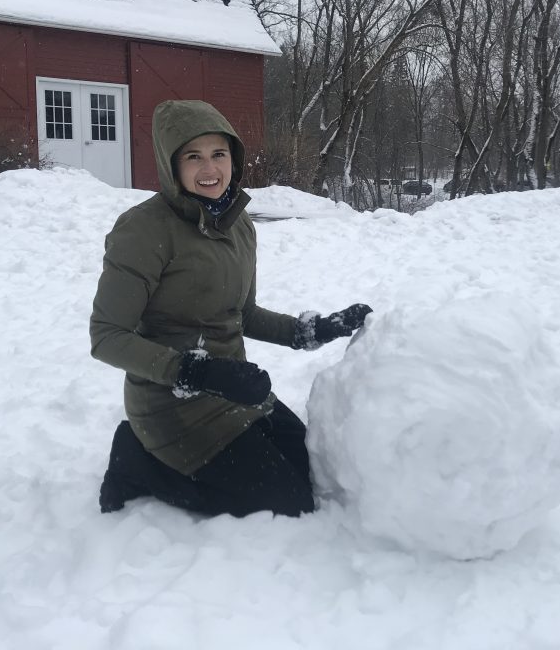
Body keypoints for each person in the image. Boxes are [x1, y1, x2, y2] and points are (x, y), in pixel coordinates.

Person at [90, 100, 371, 518]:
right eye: (193, 156)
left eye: (219, 154)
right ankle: (138, 460)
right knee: (286, 503)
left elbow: (244, 313)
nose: (210, 168)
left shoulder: (239, 225)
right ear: (172, 165)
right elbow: (107, 336)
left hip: (237, 389)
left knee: (309, 470)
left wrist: (310, 331)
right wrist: (196, 371)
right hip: (173, 403)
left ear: (233, 159)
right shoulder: (144, 230)